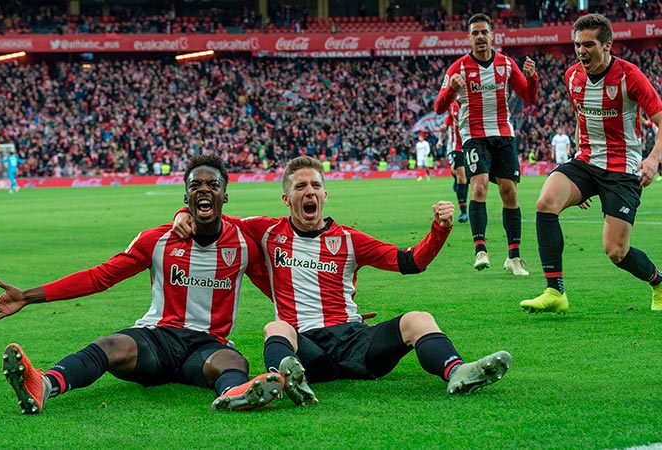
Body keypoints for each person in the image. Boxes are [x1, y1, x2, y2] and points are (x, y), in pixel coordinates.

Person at [174, 156, 512, 402]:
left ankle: (457, 372)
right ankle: (284, 381)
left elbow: (410, 262)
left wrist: (439, 229)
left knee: (418, 319)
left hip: (354, 342)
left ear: (324, 195)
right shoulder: (265, 231)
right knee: (276, 327)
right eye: (301, 187)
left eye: (316, 186)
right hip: (306, 347)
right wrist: (182, 214)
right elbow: (212, 215)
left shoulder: (349, 239)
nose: (310, 192)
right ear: (286, 198)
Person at [0, 155, 288, 414]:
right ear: (185, 197)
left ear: (225, 195)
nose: (204, 190)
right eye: (195, 185)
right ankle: (43, 385)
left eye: (213, 185)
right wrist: (28, 296)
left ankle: (235, 394)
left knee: (233, 361)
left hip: (207, 347)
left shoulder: (244, 244)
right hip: (156, 341)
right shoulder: (157, 240)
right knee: (110, 345)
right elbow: (99, 277)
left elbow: (276, 291)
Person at [520, 14, 662, 313]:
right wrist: (578, 183)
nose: (581, 51)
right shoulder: (573, 76)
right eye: (576, 45)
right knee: (545, 202)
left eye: (588, 45)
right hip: (585, 161)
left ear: (607, 45)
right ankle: (555, 291)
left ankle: (658, 281)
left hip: (623, 168)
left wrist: (652, 160)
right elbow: (581, 118)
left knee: (616, 251)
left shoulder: (630, 76)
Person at [434, 13, 538, 275]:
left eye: (484, 32)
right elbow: (438, 107)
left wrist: (532, 78)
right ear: (469, 38)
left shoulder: (505, 64)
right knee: (478, 187)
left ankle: (514, 257)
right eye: (475, 33)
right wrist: (451, 90)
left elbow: (529, 97)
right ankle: (480, 250)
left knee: (510, 192)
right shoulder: (457, 68)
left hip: (503, 133)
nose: (480, 37)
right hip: (474, 135)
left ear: (492, 35)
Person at [437, 99, 469, 222]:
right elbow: (447, 122)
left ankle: (457, 179)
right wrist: (441, 139)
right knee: (461, 177)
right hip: (457, 146)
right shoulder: (453, 105)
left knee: (466, 178)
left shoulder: (473, 101)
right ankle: (463, 212)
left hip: (472, 144)